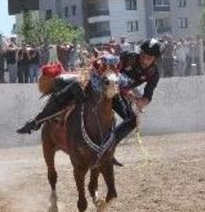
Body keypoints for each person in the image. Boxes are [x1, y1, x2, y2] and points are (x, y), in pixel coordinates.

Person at [17, 39, 162, 166]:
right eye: (143, 55)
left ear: (155, 59)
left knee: (132, 121)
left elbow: (146, 99)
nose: (144, 59)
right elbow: (110, 69)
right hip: (104, 84)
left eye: (148, 57)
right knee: (72, 89)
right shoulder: (129, 57)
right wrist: (123, 88)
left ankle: (108, 149)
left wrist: (138, 100)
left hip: (119, 94)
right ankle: (36, 121)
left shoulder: (154, 73)